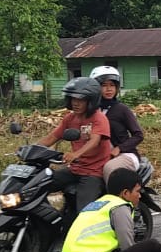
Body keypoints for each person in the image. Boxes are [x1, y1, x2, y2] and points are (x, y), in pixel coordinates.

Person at [39, 77, 111, 213]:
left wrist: (75, 154)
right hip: (74, 169)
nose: (76, 103)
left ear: (91, 100)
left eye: (81, 100)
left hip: (93, 172)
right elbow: (52, 137)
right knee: (38, 186)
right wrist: (30, 150)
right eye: (73, 99)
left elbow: (94, 141)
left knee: (83, 211)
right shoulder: (70, 119)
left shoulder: (99, 118)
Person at [89, 65, 145, 186]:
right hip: (99, 155)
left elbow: (138, 135)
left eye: (112, 85)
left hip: (125, 154)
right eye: (104, 85)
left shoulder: (122, 109)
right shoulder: (91, 110)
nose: (109, 89)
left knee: (110, 168)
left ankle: (113, 203)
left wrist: (119, 148)